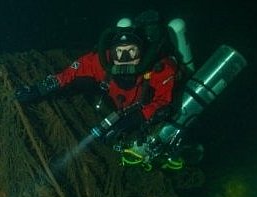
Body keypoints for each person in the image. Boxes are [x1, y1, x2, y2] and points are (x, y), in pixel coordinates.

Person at [15, 10, 192, 170]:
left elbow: (163, 102)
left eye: (132, 52)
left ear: (142, 52)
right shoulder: (100, 62)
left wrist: (129, 122)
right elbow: (69, 74)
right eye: (119, 53)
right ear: (110, 53)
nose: (124, 58)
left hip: (147, 110)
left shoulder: (160, 68)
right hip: (123, 106)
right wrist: (39, 89)